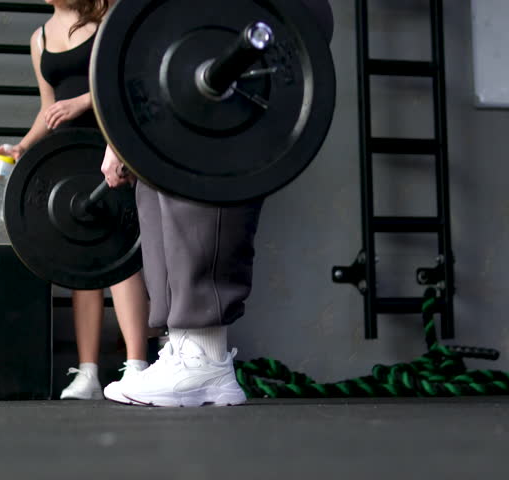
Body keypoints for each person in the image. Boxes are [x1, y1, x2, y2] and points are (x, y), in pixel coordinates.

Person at [99, 0, 335, 407]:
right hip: (183, 55)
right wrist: (120, 137)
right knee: (157, 182)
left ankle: (205, 362)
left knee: (201, 183)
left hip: (259, 31)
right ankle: (184, 352)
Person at [0, 0, 149, 401]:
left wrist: (81, 103)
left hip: (112, 149)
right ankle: (89, 374)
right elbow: (49, 109)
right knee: (84, 262)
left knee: (120, 258)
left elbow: (129, 79)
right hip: (67, 160)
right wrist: (20, 147)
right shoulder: (40, 38)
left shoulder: (110, 17)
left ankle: (136, 367)